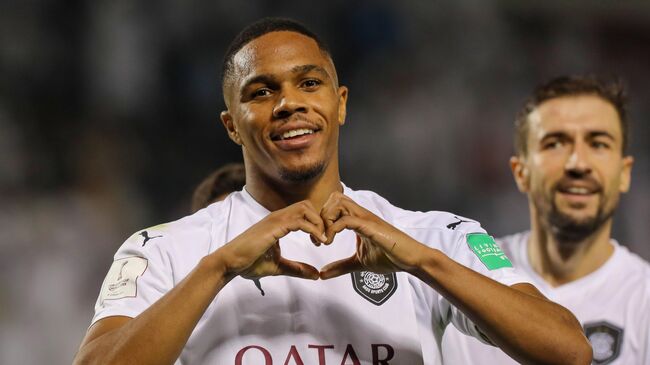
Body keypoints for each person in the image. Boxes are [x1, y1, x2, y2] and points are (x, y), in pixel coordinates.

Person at [73, 18, 591, 365]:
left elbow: (568, 351)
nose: (289, 104)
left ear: (340, 103)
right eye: (262, 91)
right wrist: (219, 268)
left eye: (309, 83)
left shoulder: (434, 236)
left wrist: (422, 263)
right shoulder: (164, 250)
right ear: (232, 126)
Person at [442, 75, 650, 364]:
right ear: (520, 172)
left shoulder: (645, 301)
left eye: (599, 144)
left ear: (625, 172)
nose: (578, 163)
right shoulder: (464, 277)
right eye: (555, 143)